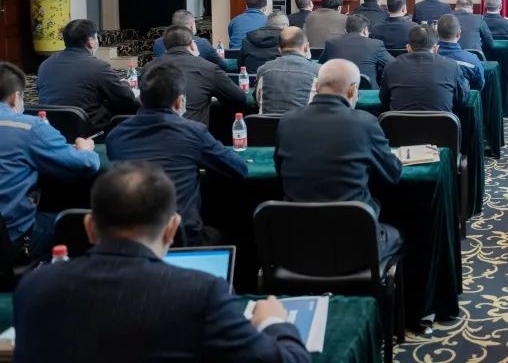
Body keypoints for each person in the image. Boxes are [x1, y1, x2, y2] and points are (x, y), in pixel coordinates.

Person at [13, 161, 309, 362]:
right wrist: (272, 321)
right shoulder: (201, 293)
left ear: (90, 227)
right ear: (171, 229)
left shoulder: (34, 286)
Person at [276, 59, 403, 264]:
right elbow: (394, 173)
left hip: (298, 245)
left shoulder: (287, 122)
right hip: (356, 245)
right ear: (352, 90)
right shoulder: (365, 123)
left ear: (317, 86)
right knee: (398, 233)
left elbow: (280, 172)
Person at [107, 64, 247, 245]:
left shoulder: (116, 136)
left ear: (140, 98)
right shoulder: (193, 132)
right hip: (182, 239)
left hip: (130, 239)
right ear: (180, 102)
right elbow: (239, 168)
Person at [0, 62, 98, 264]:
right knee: (81, 224)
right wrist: (85, 150)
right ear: (15, 97)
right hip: (13, 240)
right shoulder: (28, 127)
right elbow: (85, 165)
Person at [36, 19, 138, 130]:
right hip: (88, 130)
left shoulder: (45, 65)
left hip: (50, 127)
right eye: (96, 37)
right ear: (90, 41)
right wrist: (125, 84)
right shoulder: (98, 66)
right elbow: (126, 98)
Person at [142, 26, 247, 126]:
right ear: (192, 45)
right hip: (192, 133)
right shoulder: (208, 68)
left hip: (152, 132)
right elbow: (240, 98)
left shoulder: (148, 68)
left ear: (165, 48)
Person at [380, 24, 469, 113]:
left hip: (398, 122)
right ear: (435, 48)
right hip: (441, 122)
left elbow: (384, 100)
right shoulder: (452, 66)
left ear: (408, 48)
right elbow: (462, 99)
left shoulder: (391, 67)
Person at [257, 26, 320, 115]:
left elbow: (258, 100)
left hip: (266, 124)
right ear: (306, 47)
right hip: (302, 123)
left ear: (279, 50)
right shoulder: (318, 71)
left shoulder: (262, 70)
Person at [320, 14, 394, 88]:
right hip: (369, 91)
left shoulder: (331, 44)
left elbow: (320, 66)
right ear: (365, 30)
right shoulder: (375, 45)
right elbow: (393, 65)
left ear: (345, 31)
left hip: (338, 90)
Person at [152, 9, 226, 70]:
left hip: (166, 82)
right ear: (191, 26)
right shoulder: (203, 43)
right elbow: (222, 66)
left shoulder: (158, 43)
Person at [436, 14, 485, 90]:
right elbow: (479, 86)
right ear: (458, 33)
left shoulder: (427, 59)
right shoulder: (472, 61)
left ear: (437, 33)